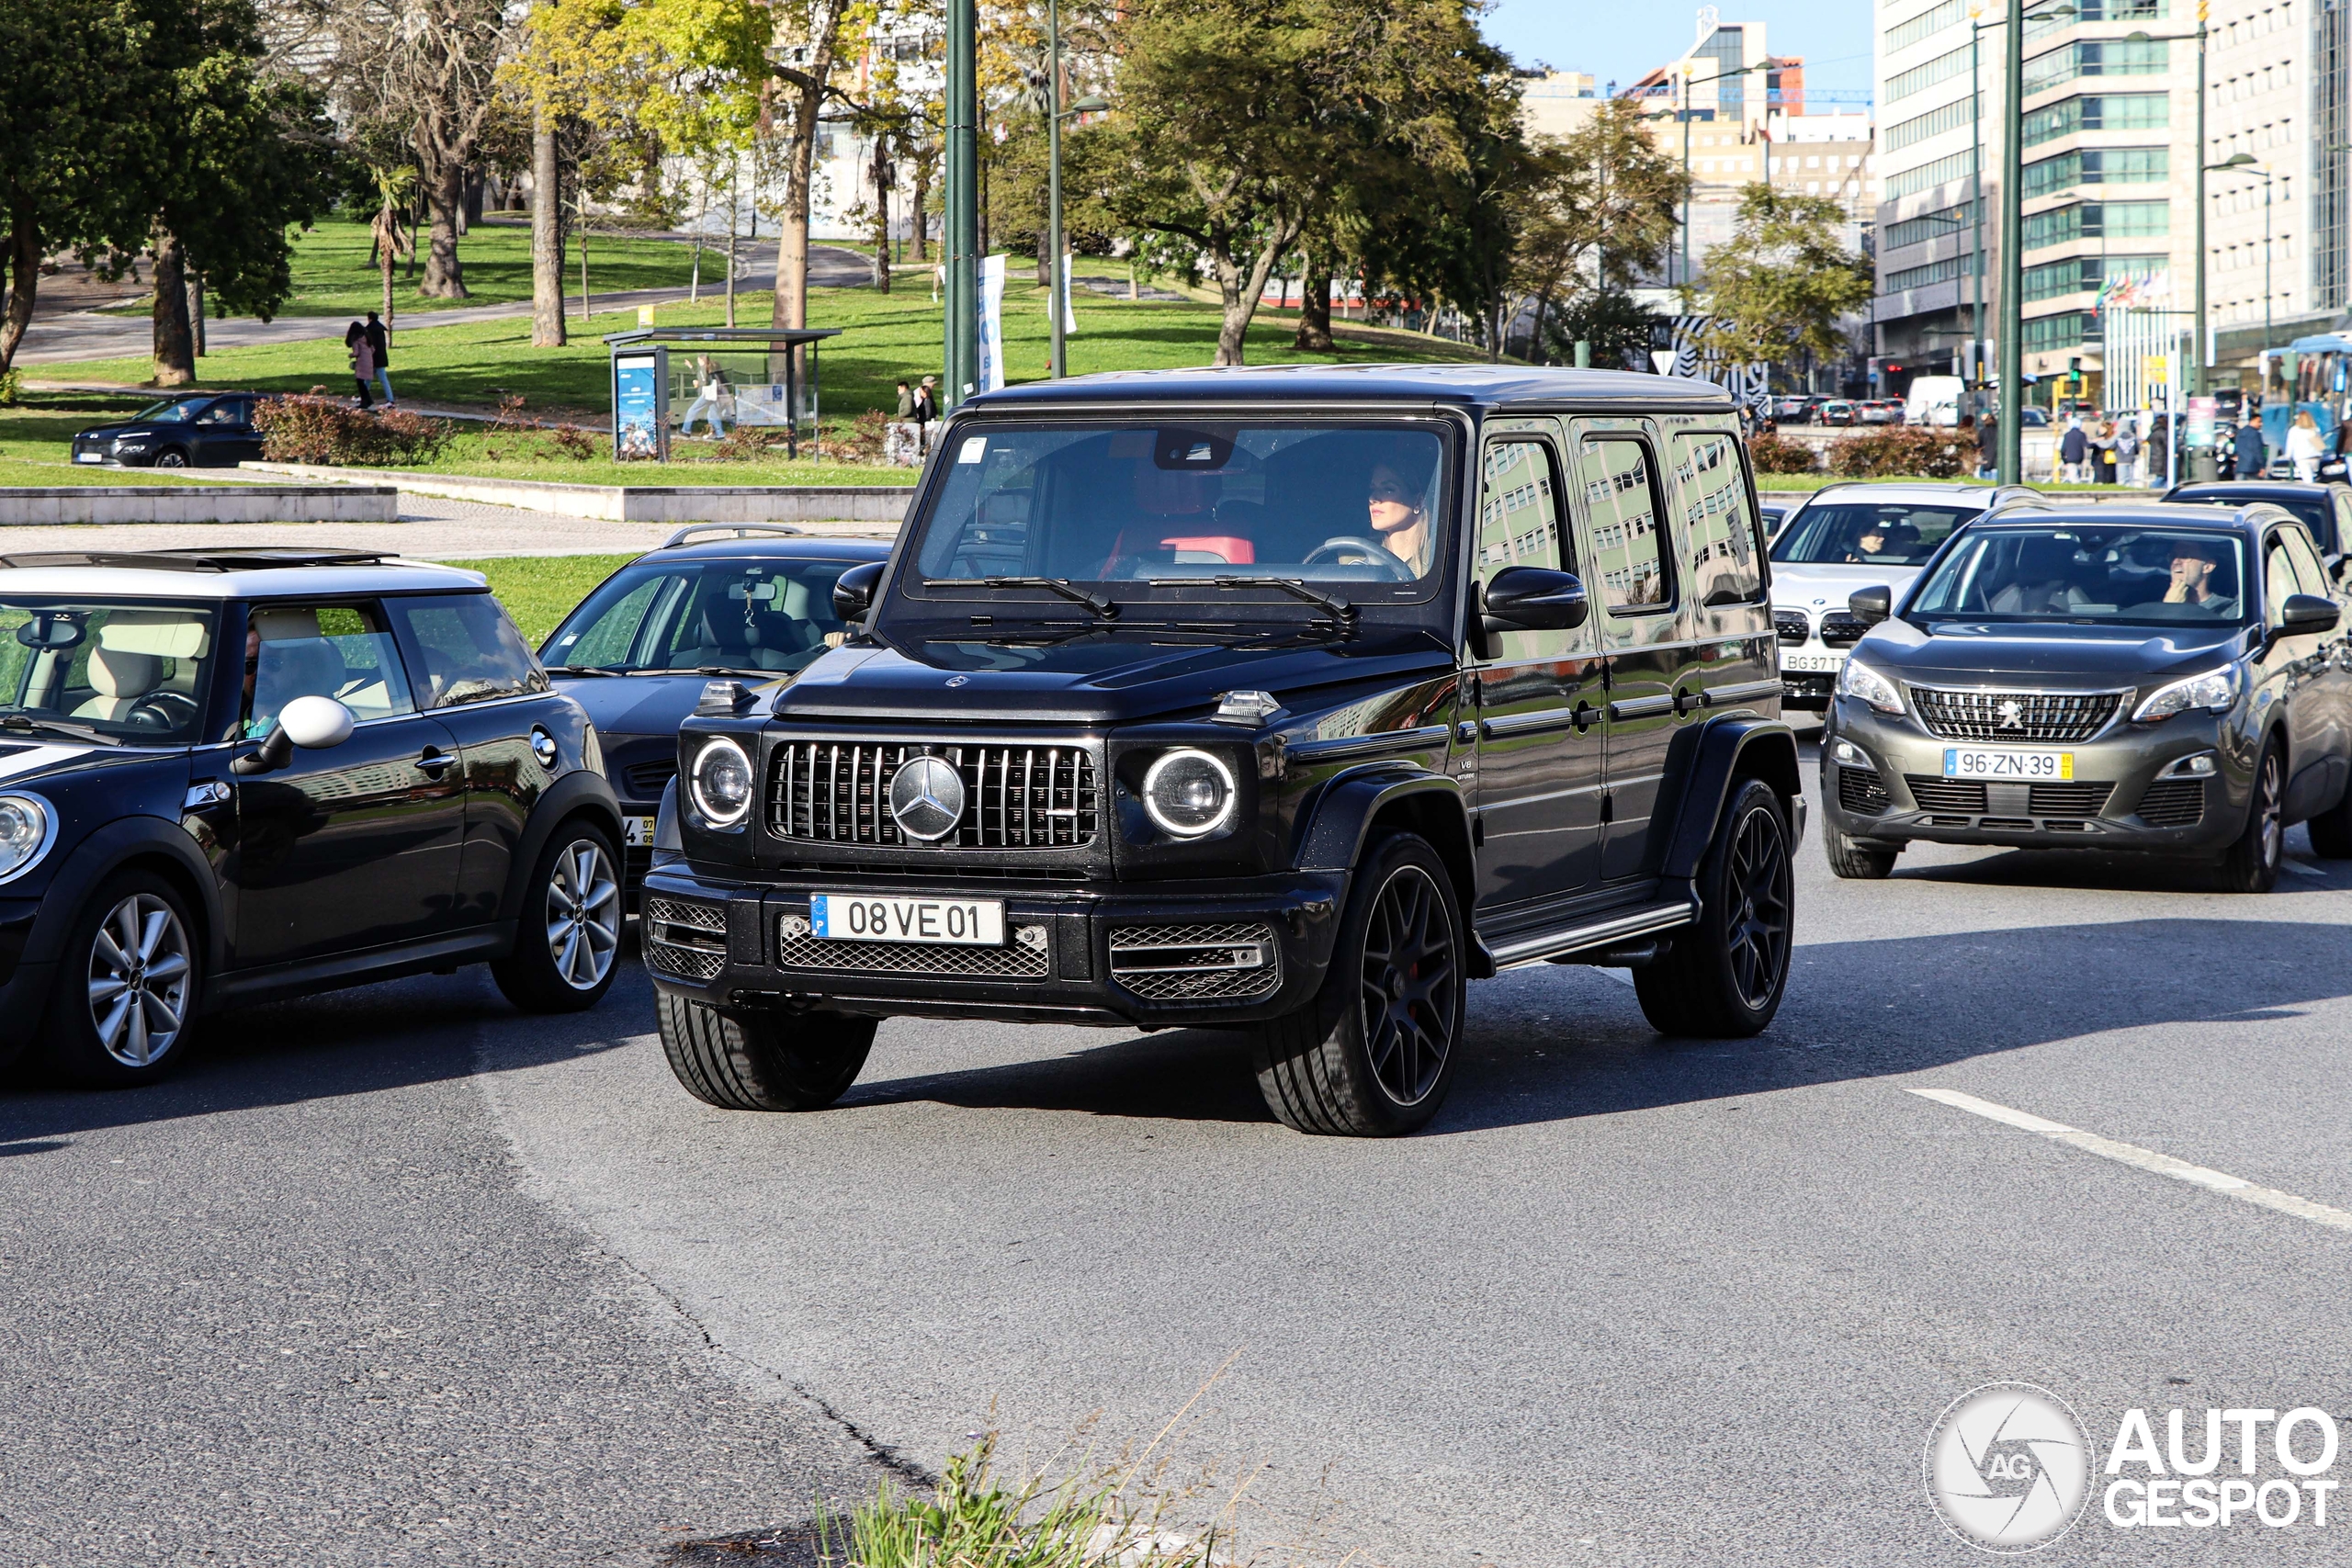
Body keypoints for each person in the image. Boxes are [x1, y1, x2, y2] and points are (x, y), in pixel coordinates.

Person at [1366, 457, 1434, 574]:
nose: (1373, 499)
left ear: (1418, 501)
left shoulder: (1439, 560)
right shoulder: (1353, 557)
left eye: (1388, 489)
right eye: (1373, 489)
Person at [2161, 536, 2237, 615]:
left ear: (2208, 566)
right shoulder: (2153, 603)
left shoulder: (2229, 610)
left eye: (2185, 556)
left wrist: (2171, 608)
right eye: (2173, 556)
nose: (2175, 562)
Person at [364, 310, 394, 405]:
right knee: (368, 378)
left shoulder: (370, 330)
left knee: (382, 379)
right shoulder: (380, 329)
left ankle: (390, 400)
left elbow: (370, 345)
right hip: (381, 357)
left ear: (370, 319)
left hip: (374, 358)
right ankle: (363, 396)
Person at [2287, 410, 2325, 482]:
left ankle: (2311, 491)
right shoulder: (2315, 430)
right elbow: (2319, 445)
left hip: (2302, 457)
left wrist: (2288, 455)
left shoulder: (2294, 430)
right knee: (2313, 476)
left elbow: (2290, 444)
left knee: (2307, 478)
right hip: (2315, 457)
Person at [345, 321, 374, 410]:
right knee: (362, 382)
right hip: (369, 361)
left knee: (360, 382)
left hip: (361, 362)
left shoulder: (356, 340)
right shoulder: (367, 338)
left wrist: (350, 355)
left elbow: (356, 352)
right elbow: (373, 349)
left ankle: (366, 400)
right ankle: (367, 399)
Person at [2233, 415, 2266, 479]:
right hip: (2253, 468)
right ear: (2252, 421)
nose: (2261, 424)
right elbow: (2257, 451)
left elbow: (2237, 450)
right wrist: (2262, 466)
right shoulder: (2255, 434)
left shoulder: (2240, 432)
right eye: (2259, 422)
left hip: (2240, 466)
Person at [2059, 416, 2088, 483]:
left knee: (2073, 476)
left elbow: (2063, 449)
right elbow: (2086, 445)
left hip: (2070, 458)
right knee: (2078, 474)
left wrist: (2064, 460)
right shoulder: (2081, 434)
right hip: (2079, 458)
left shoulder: (2067, 435)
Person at [2116, 418, 2142, 488]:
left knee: (2121, 479)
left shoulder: (2118, 436)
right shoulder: (2133, 436)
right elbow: (2137, 448)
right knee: (2130, 479)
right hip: (2131, 459)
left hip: (2121, 459)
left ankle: (2121, 492)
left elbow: (2111, 445)